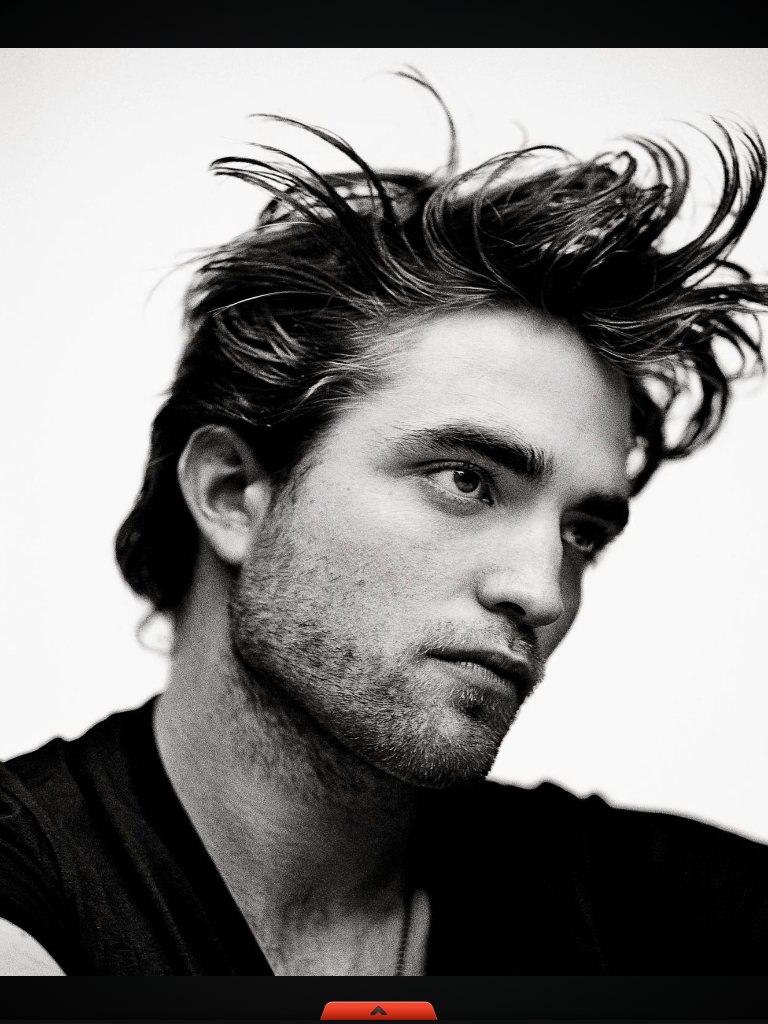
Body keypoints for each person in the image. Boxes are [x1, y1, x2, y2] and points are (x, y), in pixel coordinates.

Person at [1, 83, 767, 976]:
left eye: (582, 533)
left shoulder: (636, 907)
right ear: (233, 492)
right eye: (466, 480)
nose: (541, 592)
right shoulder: (36, 898)